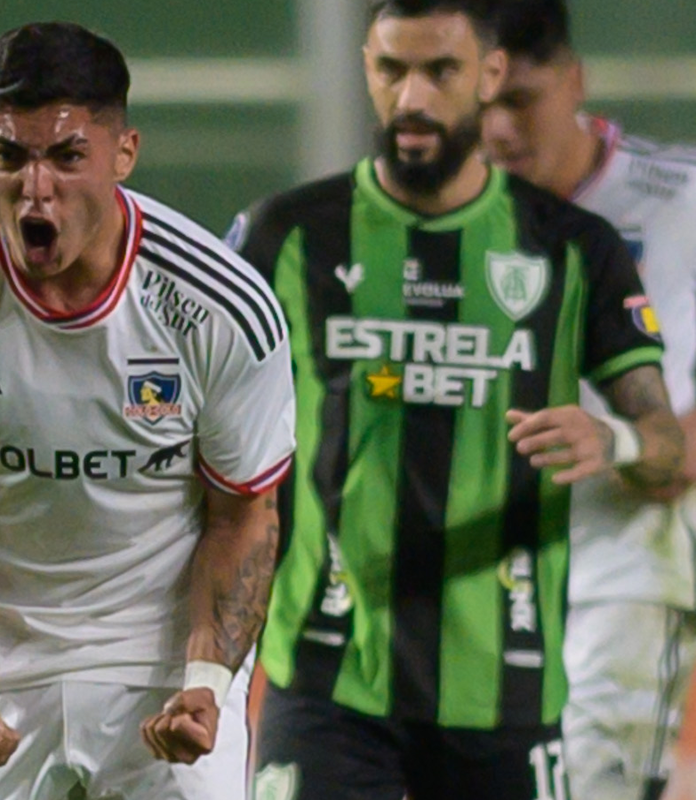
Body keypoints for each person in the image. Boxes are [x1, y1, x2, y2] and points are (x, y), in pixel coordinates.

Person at [230, 1, 685, 798]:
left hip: (505, 684)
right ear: (366, 69)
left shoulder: (576, 249)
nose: (412, 98)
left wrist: (610, 440)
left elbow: (666, 447)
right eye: (390, 69)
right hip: (326, 674)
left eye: (440, 70)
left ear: (490, 74)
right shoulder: (287, 236)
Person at [0, 22, 295, 800]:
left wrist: (206, 680)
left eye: (66, 156)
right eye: (9, 156)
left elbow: (243, 515)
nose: (37, 189)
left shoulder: (220, 307)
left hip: (160, 671)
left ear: (124, 152)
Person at [482, 3, 696, 798]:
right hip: (478, 560)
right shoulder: (441, 217)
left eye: (521, 100)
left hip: (630, 551)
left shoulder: (681, 202)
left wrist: (648, 448)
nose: (499, 130)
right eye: (481, 106)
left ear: (574, 80)